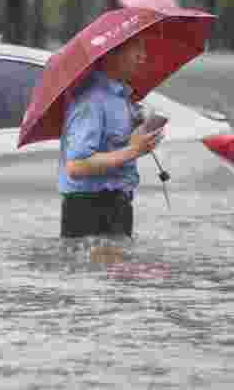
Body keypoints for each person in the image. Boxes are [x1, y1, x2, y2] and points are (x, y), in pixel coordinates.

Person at [59, 33, 164, 238]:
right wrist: (133, 150)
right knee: (99, 269)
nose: (143, 56)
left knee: (118, 268)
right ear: (112, 53)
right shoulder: (91, 101)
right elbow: (76, 166)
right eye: (137, 49)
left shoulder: (122, 98)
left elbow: (114, 147)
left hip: (117, 204)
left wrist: (138, 134)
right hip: (90, 208)